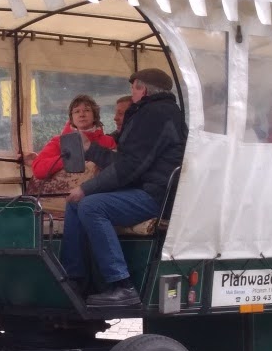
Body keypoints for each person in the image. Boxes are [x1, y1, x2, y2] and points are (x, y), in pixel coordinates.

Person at [61, 68, 187, 308]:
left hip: (157, 194)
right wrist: (91, 149)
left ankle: (122, 285)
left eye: (133, 88)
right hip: (146, 187)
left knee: (90, 205)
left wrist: (87, 188)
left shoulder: (155, 114)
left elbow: (130, 166)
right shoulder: (155, 112)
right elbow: (128, 162)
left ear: (142, 89)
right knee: (76, 205)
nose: (132, 93)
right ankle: (75, 280)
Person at [29, 94, 116, 180]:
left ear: (95, 116)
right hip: (67, 193)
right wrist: (69, 159)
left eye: (87, 110)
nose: (82, 114)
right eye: (77, 111)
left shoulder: (108, 141)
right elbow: (38, 170)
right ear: (72, 118)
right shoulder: (58, 142)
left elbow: (119, 169)